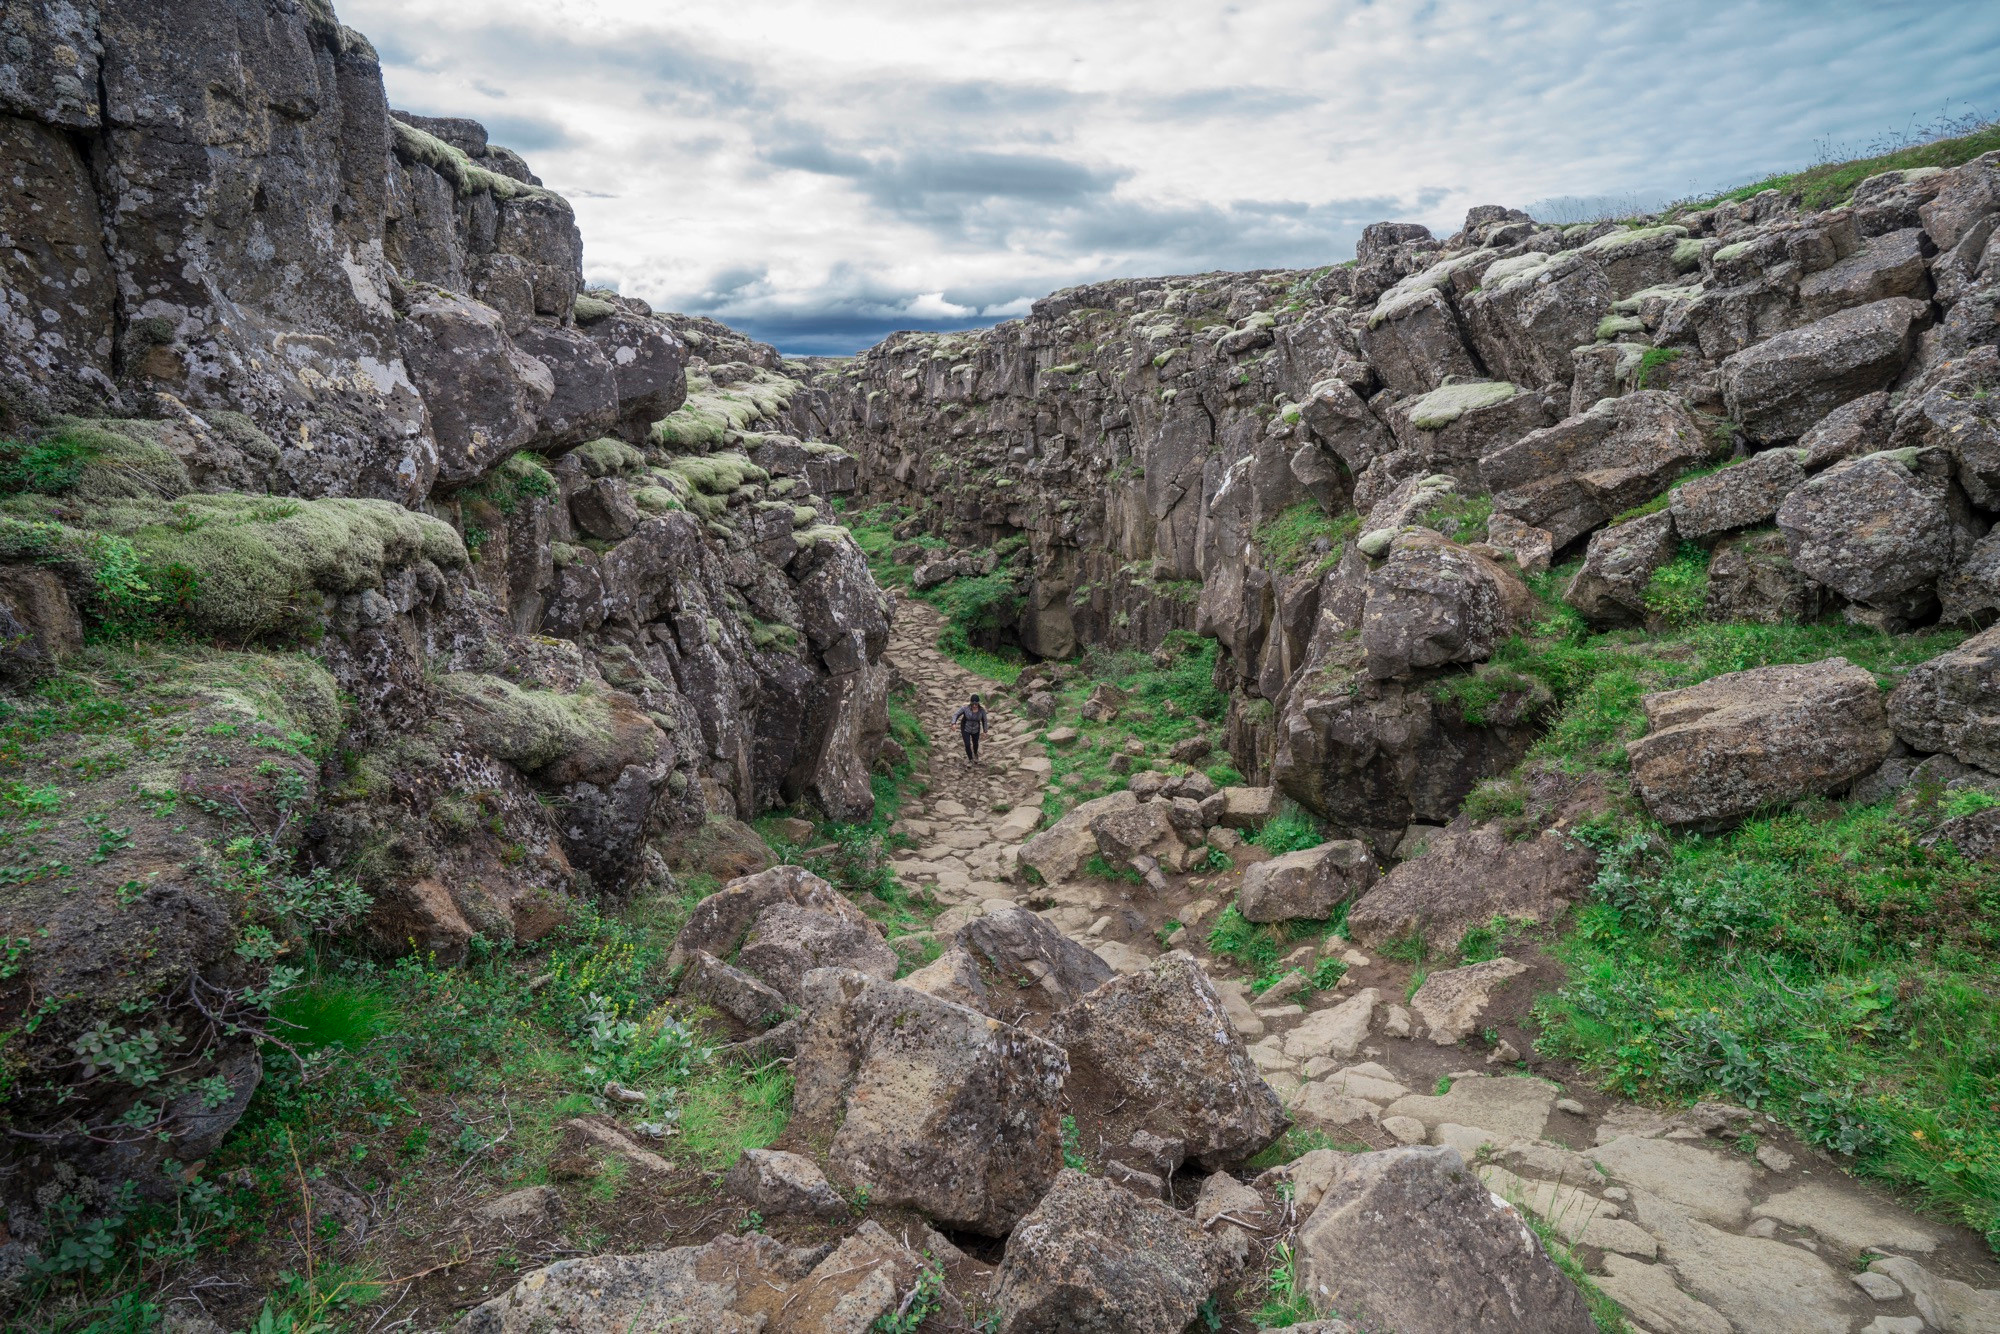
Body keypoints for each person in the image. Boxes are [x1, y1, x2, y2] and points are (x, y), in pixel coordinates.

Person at [951, 693, 989, 763]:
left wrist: (985, 731)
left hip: (976, 729)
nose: (974, 706)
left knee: (975, 744)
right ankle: (970, 758)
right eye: (973, 704)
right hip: (965, 727)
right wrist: (953, 723)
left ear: (978, 704)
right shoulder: (965, 708)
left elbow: (985, 721)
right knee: (967, 744)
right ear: (970, 703)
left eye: (976, 704)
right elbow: (956, 714)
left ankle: (975, 753)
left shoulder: (982, 711)